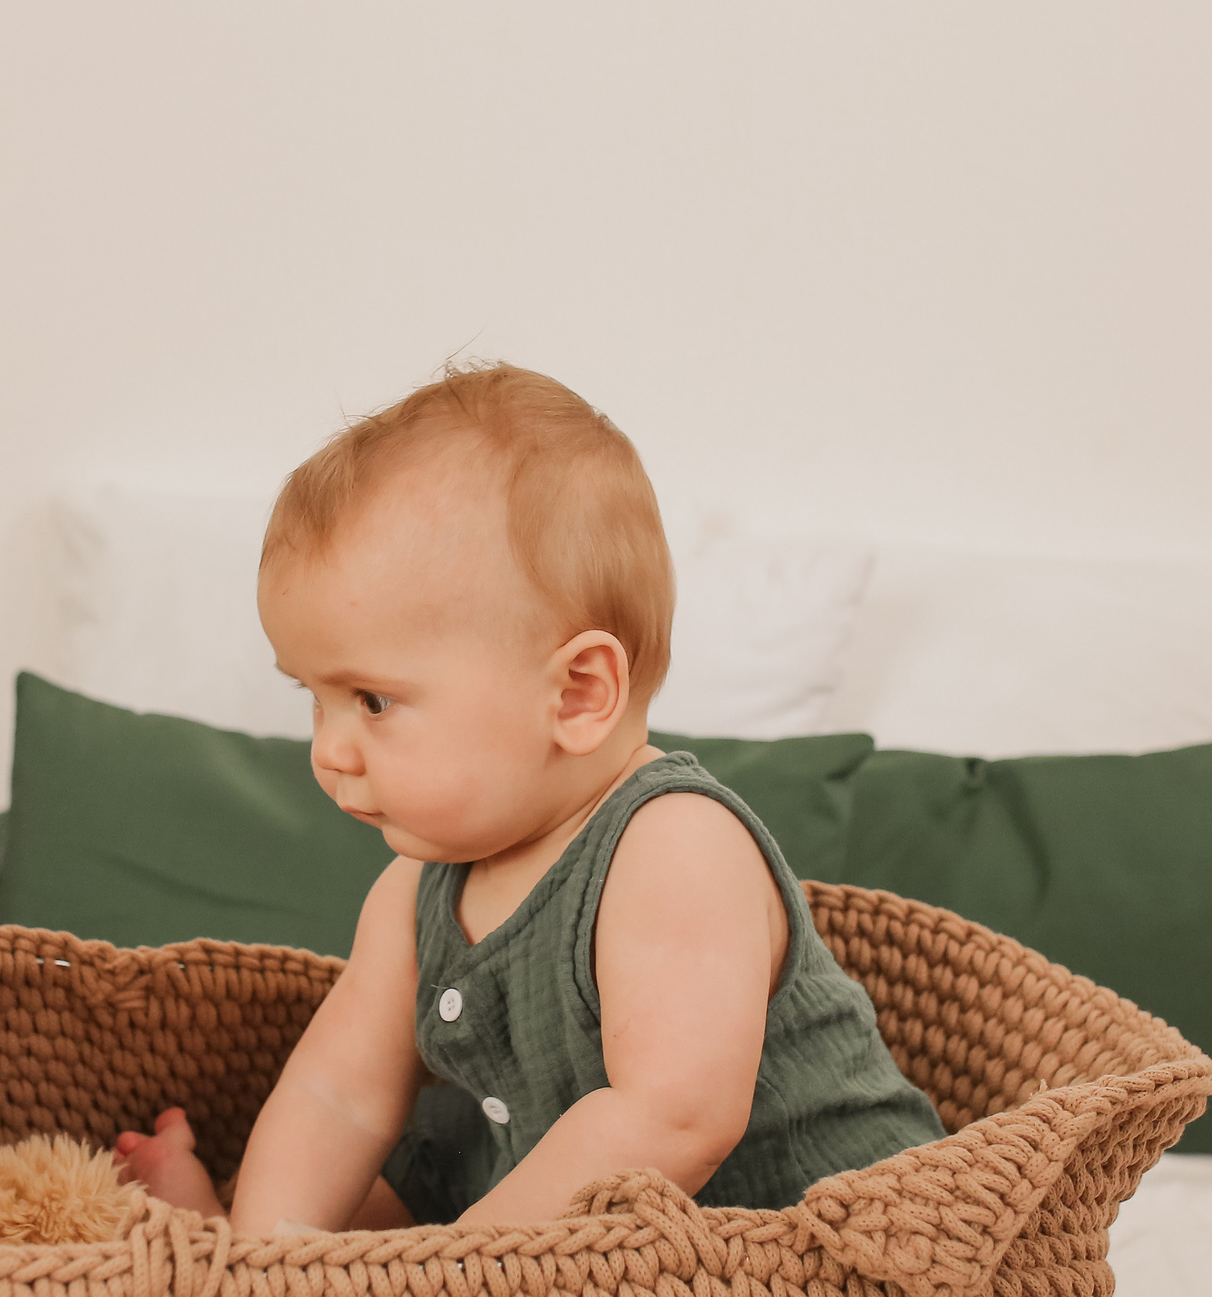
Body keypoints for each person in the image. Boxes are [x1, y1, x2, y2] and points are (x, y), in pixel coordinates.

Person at [114, 364, 941, 1232]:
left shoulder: (674, 845)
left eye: (373, 701)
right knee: (353, 1204)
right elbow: (338, 1094)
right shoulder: (419, 885)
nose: (328, 748)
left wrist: (466, 1281)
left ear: (578, 695)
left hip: (792, 1233)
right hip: (537, 1217)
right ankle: (228, 1234)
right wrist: (268, 1260)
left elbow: (672, 1120)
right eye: (311, 698)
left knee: (402, 1248)